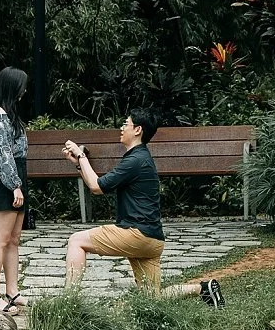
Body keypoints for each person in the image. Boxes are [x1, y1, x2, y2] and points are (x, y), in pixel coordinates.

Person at [61, 110, 224, 306]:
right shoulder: (140, 157)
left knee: (76, 240)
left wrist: (81, 155)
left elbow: (96, 187)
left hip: (136, 234)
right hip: (152, 240)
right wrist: (80, 163)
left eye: (126, 124)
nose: (122, 128)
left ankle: (67, 302)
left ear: (137, 130)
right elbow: (96, 185)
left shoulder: (135, 161)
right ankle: (204, 288)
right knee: (151, 298)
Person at [0, 66, 29, 315]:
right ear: (12, 86)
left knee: (13, 240)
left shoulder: (10, 114)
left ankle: (13, 290)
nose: (25, 90)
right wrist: (14, 185)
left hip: (19, 176)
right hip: (8, 180)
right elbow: (2, 155)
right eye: (21, 85)